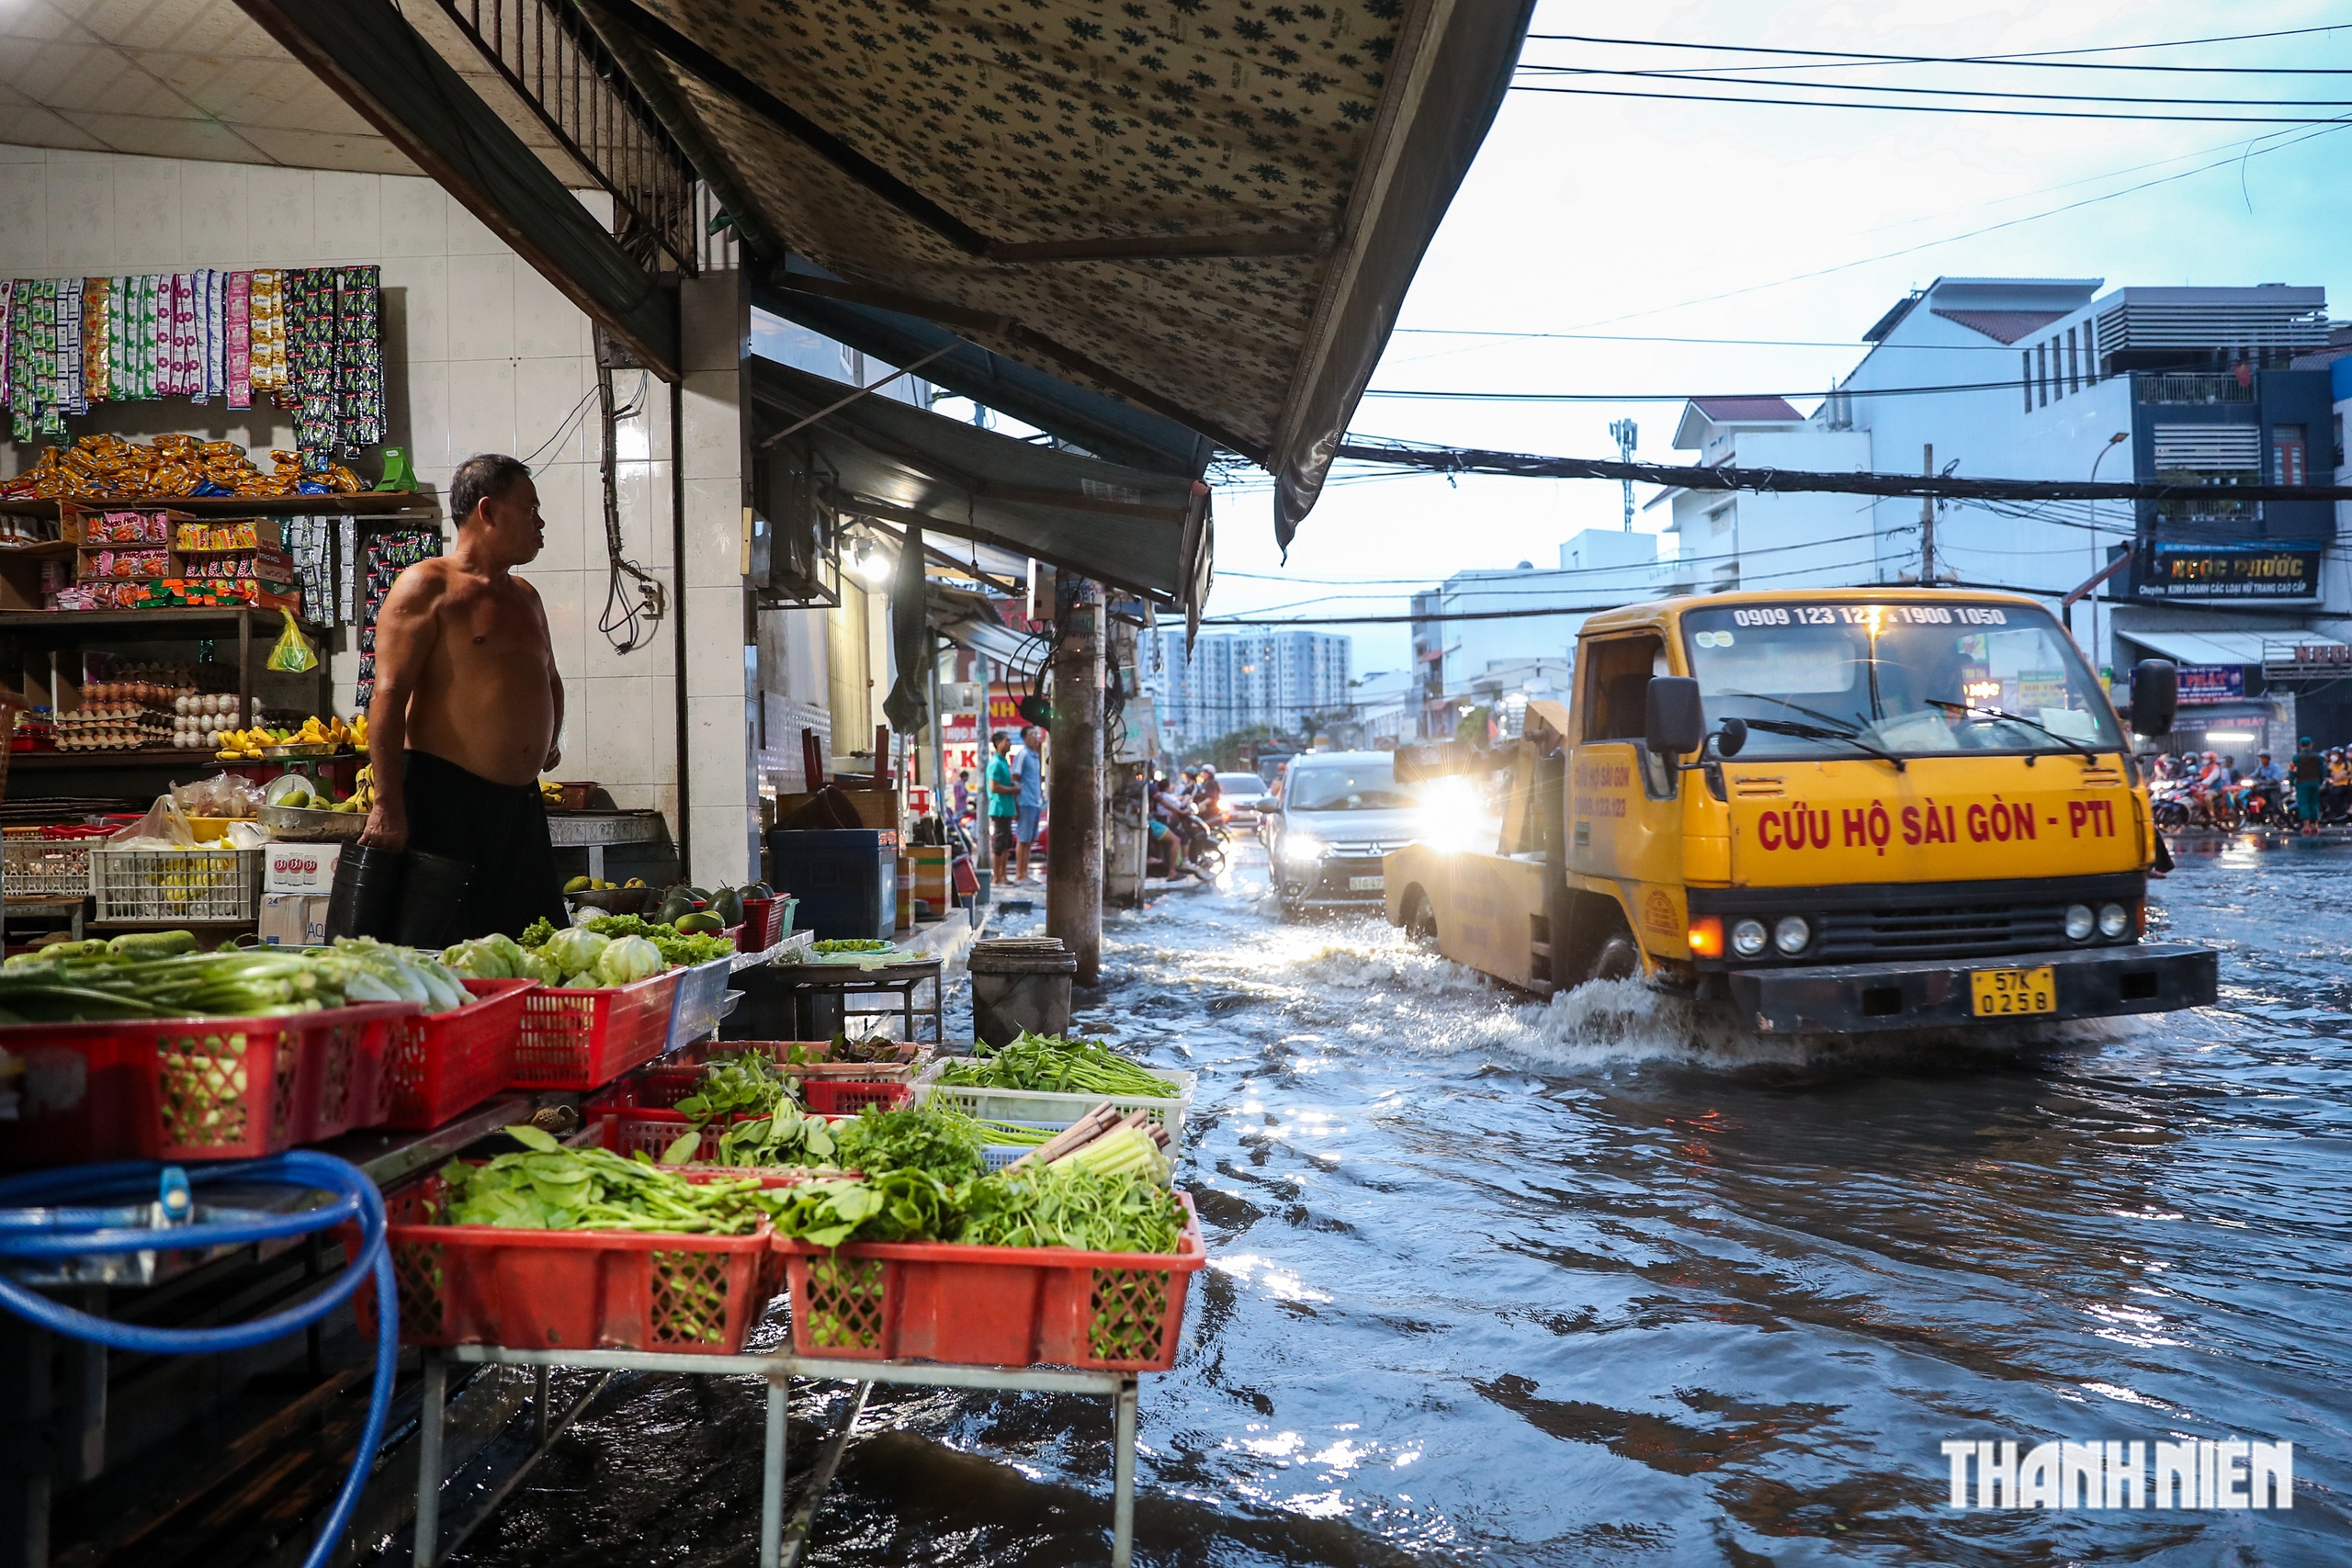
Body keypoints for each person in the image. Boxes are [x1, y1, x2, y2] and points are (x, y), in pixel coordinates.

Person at [361, 453, 567, 942]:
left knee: (532, 950)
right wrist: (386, 804)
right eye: (530, 508)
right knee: (445, 952)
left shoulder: (526, 596)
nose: (540, 522)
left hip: (520, 807)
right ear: (488, 510)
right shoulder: (427, 586)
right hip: (444, 801)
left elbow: (549, 677)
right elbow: (387, 696)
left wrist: (546, 739)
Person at [983, 731, 1021, 883]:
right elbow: (994, 787)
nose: (1009, 743)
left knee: (1006, 844)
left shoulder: (1004, 761)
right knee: (999, 844)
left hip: (1007, 807)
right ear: (998, 743)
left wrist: (1012, 785)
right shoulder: (995, 763)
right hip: (999, 808)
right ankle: (997, 876)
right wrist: (1012, 789)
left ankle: (1003, 875)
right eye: (1007, 741)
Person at [1012, 724, 1046, 883]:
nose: (1035, 737)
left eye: (1036, 734)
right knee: (1023, 839)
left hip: (1035, 802)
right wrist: (1016, 804)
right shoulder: (1023, 754)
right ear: (1025, 738)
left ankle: (1025, 873)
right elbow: (1015, 778)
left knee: (1030, 840)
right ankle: (1020, 875)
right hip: (1025, 802)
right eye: (1032, 734)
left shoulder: (1036, 756)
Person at [2292, 736, 2326, 836]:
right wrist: (2320, 781)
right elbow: (2322, 770)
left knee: (2304, 804)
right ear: (2311, 745)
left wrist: (2292, 781)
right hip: (2315, 783)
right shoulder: (2318, 757)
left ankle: (2306, 826)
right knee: (2314, 803)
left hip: (2302, 783)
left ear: (2300, 745)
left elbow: (2292, 771)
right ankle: (2315, 825)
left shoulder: (2296, 757)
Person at [2247, 751, 2286, 823]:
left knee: (2275, 805)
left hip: (2273, 789)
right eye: (2261, 758)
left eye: (2263, 758)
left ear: (2268, 759)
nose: (2262, 760)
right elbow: (2254, 775)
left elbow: (2276, 778)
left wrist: (2268, 782)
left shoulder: (2275, 767)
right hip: (2263, 789)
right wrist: (2246, 778)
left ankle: (2283, 818)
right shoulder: (2260, 768)